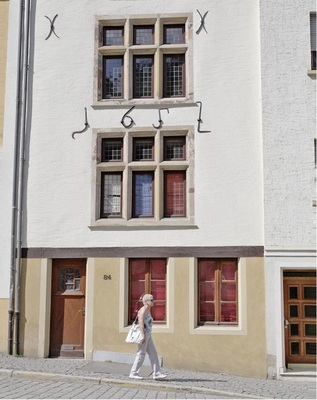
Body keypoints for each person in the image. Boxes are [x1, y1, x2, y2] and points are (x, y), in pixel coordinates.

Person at [129, 294, 167, 380]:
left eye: (153, 299)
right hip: (144, 335)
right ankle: (133, 373)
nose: (153, 301)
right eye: (151, 300)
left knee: (153, 354)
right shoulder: (142, 311)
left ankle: (157, 373)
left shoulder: (148, 310)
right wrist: (143, 336)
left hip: (148, 335)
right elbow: (141, 324)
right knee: (141, 354)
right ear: (146, 302)